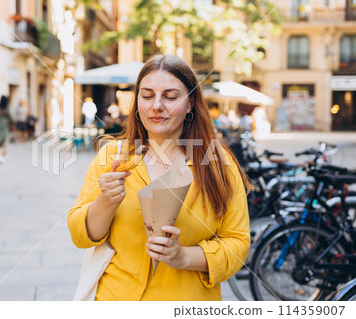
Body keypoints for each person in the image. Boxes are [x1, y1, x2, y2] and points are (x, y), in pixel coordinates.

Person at [67, 55, 251, 300]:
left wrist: (184, 256)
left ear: (191, 104)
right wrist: (106, 201)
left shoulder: (219, 164)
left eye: (171, 96)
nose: (156, 106)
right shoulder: (113, 157)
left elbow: (237, 243)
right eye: (147, 95)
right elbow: (80, 235)